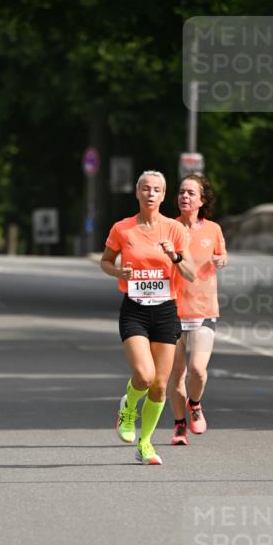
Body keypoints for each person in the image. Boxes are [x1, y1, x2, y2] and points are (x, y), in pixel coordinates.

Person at [100, 170, 195, 465]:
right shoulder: (122, 229)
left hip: (166, 310)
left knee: (160, 384)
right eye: (146, 188)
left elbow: (191, 273)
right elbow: (105, 261)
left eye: (157, 189)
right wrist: (118, 272)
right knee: (144, 375)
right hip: (135, 309)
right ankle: (128, 408)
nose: (151, 193)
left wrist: (175, 257)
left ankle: (145, 443)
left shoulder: (175, 230)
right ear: (138, 193)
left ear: (164, 195)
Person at [167, 174, 228, 445]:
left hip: (204, 310)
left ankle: (195, 403)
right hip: (172, 309)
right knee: (176, 373)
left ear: (202, 200)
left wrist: (221, 259)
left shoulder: (213, 229)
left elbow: (221, 253)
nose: (184, 197)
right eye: (181, 192)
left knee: (198, 370)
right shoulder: (168, 228)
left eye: (191, 193)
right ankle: (180, 426)